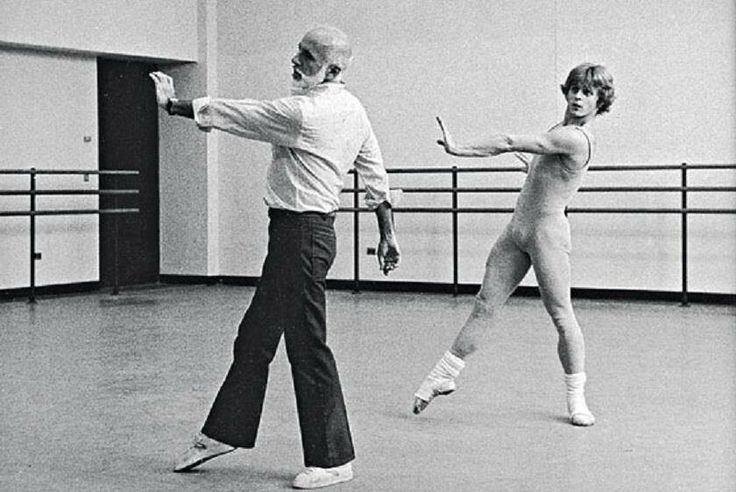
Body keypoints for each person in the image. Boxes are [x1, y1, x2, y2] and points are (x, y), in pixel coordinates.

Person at [150, 26, 400, 489]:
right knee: (256, 338)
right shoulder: (353, 108)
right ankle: (223, 432)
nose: (295, 59)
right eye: (298, 50)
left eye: (307, 55)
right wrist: (387, 234)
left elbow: (243, 114)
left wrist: (175, 105)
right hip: (296, 237)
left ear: (333, 69)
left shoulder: (304, 113)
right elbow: (375, 172)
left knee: (307, 345)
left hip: (302, 237)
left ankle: (333, 460)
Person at [412, 63, 615, 427]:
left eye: (588, 92)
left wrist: (460, 150)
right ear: (565, 90)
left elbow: (507, 141)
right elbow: (547, 172)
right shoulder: (560, 130)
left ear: (601, 100)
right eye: (574, 89)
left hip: (547, 235)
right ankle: (446, 372)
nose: (578, 97)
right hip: (517, 231)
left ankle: (576, 399)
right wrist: (533, 168)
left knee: (561, 315)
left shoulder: (576, 138)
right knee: (484, 306)